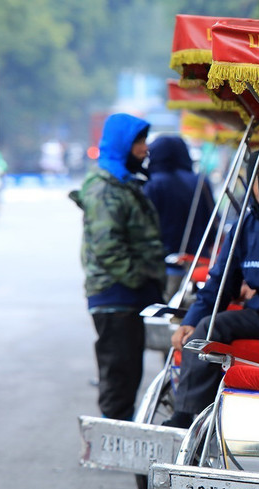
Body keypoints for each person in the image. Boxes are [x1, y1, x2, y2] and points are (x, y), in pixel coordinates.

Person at [163, 149, 259, 429]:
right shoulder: (244, 227)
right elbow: (219, 284)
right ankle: (188, 416)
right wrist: (190, 321)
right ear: (252, 189)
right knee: (207, 329)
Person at [69, 113, 165, 421]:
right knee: (119, 374)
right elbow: (107, 246)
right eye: (138, 142)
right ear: (122, 144)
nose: (144, 149)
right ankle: (114, 439)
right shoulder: (105, 188)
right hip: (115, 297)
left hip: (127, 297)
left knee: (128, 371)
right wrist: (140, 278)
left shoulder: (122, 183)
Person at [144, 134, 215, 299]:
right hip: (198, 266)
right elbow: (212, 225)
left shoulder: (152, 184)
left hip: (164, 268)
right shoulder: (200, 182)